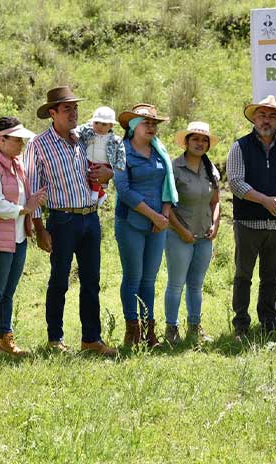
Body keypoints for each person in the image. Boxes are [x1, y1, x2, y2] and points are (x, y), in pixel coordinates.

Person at [25, 86, 116, 356]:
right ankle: (55, 338)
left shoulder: (84, 140)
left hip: (90, 216)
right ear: (52, 113)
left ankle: (91, 338)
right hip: (62, 219)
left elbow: (104, 166)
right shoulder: (38, 145)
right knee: (59, 280)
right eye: (67, 109)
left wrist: (107, 174)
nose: (74, 113)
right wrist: (39, 228)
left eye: (75, 108)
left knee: (91, 280)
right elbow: (33, 188)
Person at [226, 95, 276, 339]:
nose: (266, 120)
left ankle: (268, 323)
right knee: (243, 276)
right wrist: (264, 200)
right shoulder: (239, 146)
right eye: (262, 115)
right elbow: (236, 183)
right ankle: (241, 325)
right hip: (248, 223)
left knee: (271, 278)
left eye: (272, 116)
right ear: (254, 118)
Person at [0, 117, 47, 356]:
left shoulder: (15, 163)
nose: (21, 144)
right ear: (1, 139)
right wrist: (25, 209)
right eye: (16, 139)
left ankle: (5, 337)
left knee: (8, 291)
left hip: (17, 236)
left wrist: (30, 205)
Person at [113, 104, 175, 348]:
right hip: (131, 222)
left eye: (154, 123)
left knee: (149, 280)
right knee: (133, 277)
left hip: (158, 224)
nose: (151, 127)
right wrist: (154, 216)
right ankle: (133, 332)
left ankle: (150, 334)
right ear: (133, 126)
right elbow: (124, 190)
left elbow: (168, 185)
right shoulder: (122, 150)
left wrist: (165, 215)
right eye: (146, 122)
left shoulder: (160, 151)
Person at [164, 121, 221, 345]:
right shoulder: (174, 168)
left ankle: (195, 328)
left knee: (196, 285)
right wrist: (182, 231)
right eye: (195, 139)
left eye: (204, 140)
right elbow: (166, 207)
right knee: (176, 284)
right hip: (179, 236)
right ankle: (171, 329)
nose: (199, 143)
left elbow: (215, 202)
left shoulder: (211, 169)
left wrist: (216, 224)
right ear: (186, 142)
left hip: (204, 238)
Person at [75, 106, 125, 206]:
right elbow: (80, 129)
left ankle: (96, 193)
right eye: (96, 123)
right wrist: (75, 133)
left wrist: (119, 166)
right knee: (87, 177)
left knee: (96, 176)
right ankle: (101, 194)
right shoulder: (89, 132)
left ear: (111, 125)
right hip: (89, 160)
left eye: (104, 124)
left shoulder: (115, 140)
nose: (99, 126)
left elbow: (121, 153)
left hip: (104, 163)